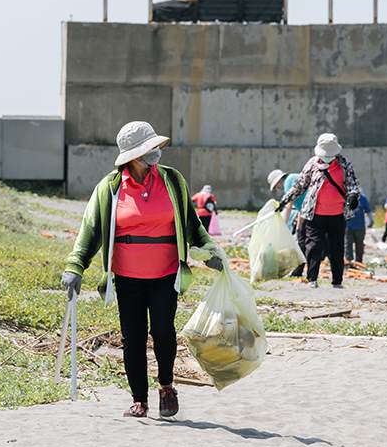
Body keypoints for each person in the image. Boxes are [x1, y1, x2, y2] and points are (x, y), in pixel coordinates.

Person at [61, 121, 227, 419]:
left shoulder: (172, 181)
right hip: (127, 277)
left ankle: (166, 385)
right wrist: (75, 266)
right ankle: (139, 398)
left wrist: (211, 253)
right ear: (133, 155)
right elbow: (91, 232)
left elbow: (192, 225)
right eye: (149, 148)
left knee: (163, 331)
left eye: (155, 146)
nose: (156, 152)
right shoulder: (110, 188)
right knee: (133, 338)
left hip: (165, 273)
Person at [277, 133, 362, 289]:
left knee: (336, 248)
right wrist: (284, 200)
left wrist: (353, 196)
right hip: (314, 214)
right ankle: (312, 279)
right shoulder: (312, 164)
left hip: (337, 214)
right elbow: (300, 185)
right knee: (313, 246)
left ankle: (337, 281)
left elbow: (353, 184)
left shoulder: (344, 164)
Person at [268, 168, 307, 277]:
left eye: (277, 186)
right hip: (309, 212)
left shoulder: (289, 181)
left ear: (279, 181)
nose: (278, 188)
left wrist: (283, 225)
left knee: (304, 243)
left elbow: (289, 204)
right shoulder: (295, 177)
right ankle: (299, 271)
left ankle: (299, 271)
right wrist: (299, 227)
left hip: (311, 213)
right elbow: (302, 205)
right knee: (302, 240)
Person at [345, 192, 371, 264]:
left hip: (360, 226)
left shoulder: (362, 199)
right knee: (348, 244)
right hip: (348, 226)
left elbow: (368, 210)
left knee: (359, 244)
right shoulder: (346, 198)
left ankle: (359, 261)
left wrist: (371, 220)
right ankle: (348, 261)